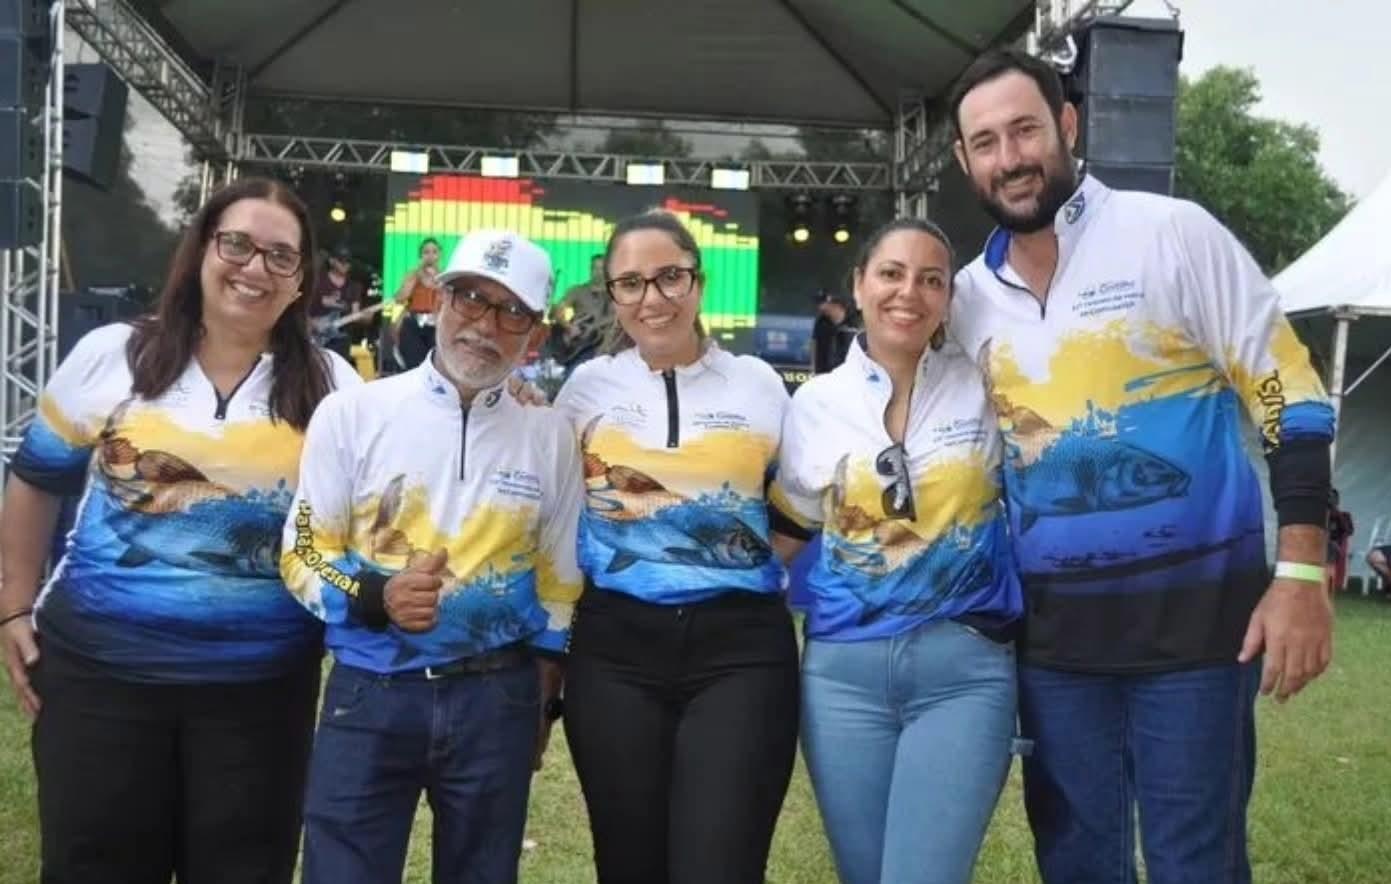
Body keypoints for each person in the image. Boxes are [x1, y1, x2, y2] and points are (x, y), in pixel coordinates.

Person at [947, 49, 1336, 884]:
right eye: (985, 142)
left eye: (1024, 129)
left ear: (1068, 126)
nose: (1009, 158)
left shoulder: (1171, 233)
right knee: (1076, 865)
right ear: (963, 161)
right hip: (1051, 653)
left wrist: (1300, 573)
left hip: (1200, 640)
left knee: (1195, 865)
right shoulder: (964, 302)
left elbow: (1289, 396)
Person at [0, 176, 360, 883]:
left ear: (300, 282)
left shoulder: (335, 387)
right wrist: (12, 602)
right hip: (100, 682)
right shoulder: (113, 355)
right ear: (201, 252)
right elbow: (36, 479)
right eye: (237, 244)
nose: (254, 268)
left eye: (280, 257)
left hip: (261, 694)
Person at [282, 229, 583, 884]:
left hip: (497, 699)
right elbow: (302, 550)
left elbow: (560, 580)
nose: (484, 325)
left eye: (510, 312)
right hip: (370, 691)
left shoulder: (550, 434)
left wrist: (543, 699)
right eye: (471, 298)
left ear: (533, 333)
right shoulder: (352, 412)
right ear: (438, 300)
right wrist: (374, 596)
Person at [770, 218, 1022, 884]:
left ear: (946, 298)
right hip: (839, 679)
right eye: (890, 273)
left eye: (930, 278)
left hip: (963, 674)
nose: (907, 292)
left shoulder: (987, 388)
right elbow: (787, 527)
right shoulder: (815, 404)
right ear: (858, 286)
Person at [554, 211, 799, 884]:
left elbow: (796, 505)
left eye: (669, 277)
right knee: (628, 864)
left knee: (719, 864)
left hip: (740, 654)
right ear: (611, 292)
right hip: (614, 651)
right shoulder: (584, 390)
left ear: (698, 281)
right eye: (629, 283)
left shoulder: (757, 384)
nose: (651, 299)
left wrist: (727, 564)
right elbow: (553, 506)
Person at [391, 236, 444, 371]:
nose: (430, 255)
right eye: (426, 252)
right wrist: (417, 277)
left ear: (439, 255)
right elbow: (401, 298)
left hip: (437, 325)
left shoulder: (444, 277)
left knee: (435, 366)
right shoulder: (413, 275)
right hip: (414, 323)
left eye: (434, 252)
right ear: (421, 255)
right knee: (414, 365)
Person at [310, 243, 366, 361]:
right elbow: (299, 311)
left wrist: (364, 317)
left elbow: (356, 314)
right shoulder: (316, 282)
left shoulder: (354, 287)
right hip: (313, 338)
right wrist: (313, 324)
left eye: (348, 261)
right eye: (341, 260)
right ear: (332, 261)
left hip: (340, 340)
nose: (345, 264)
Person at [810, 290, 856, 373]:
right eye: (819, 304)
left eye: (824, 303)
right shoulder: (821, 322)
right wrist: (813, 367)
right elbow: (814, 343)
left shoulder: (853, 318)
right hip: (824, 369)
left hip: (847, 369)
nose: (821, 307)